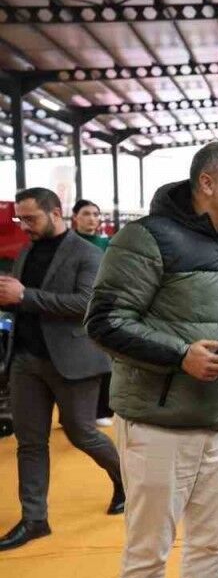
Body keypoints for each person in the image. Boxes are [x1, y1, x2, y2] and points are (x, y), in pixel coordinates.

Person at [86, 141, 218, 578]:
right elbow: (104, 321)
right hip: (158, 424)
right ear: (207, 183)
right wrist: (180, 354)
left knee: (210, 546)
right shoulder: (146, 239)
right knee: (149, 552)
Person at [0, 188, 120, 551]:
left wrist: (24, 296)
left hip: (73, 360)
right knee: (30, 442)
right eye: (20, 219)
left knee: (82, 433)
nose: (25, 226)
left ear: (56, 213)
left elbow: (85, 304)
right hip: (26, 359)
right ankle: (35, 519)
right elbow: (19, 299)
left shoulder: (88, 254)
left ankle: (126, 480)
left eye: (31, 218)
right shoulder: (26, 251)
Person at [71, 199, 114, 426]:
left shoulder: (108, 244)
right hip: (73, 308)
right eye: (86, 213)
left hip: (102, 306)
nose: (92, 218)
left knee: (105, 358)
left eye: (96, 214)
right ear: (75, 217)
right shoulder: (68, 244)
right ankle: (75, 412)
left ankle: (102, 410)